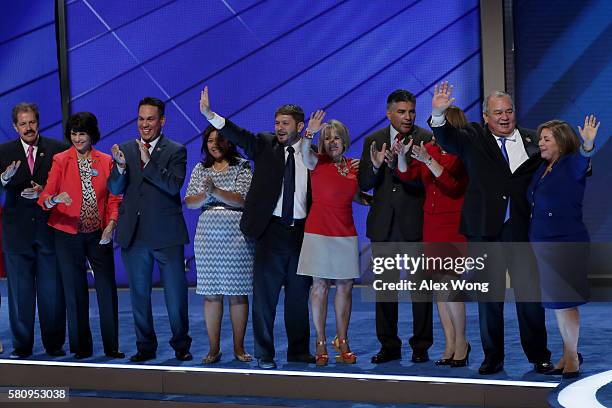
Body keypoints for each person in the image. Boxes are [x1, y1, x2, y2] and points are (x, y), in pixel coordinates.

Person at [429, 82, 552, 375]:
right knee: (489, 299)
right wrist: (438, 113)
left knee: (530, 296)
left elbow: (558, 163)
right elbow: (446, 138)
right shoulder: (471, 137)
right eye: (498, 112)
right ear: (486, 116)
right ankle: (492, 357)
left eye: (509, 111)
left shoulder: (533, 140)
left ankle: (539, 355)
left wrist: (584, 154)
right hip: (484, 230)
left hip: (520, 230)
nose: (505, 117)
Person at [200, 86, 314, 369]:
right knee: (265, 300)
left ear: (300, 126)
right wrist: (211, 116)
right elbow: (238, 134)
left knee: (298, 297)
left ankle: (299, 351)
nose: (279, 128)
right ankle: (265, 354)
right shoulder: (264, 144)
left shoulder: (312, 153)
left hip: (302, 234)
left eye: (285, 123)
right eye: (277, 123)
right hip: (270, 232)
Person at [108, 97, 192, 362]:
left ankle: (181, 345)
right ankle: (145, 346)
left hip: (166, 234)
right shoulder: (124, 149)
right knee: (139, 297)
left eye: (151, 119)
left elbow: (173, 186)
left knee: (176, 297)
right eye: (141, 119)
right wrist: (120, 167)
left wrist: (149, 161)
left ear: (162, 121)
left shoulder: (176, 150)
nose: (145, 125)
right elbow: (114, 189)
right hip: (134, 235)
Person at [38, 112, 123, 359]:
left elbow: (114, 198)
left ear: (92, 135)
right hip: (67, 233)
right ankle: (81, 347)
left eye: (82, 133)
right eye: (74, 134)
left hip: (99, 234)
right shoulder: (60, 160)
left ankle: (111, 346)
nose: (77, 138)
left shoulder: (106, 161)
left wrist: (111, 224)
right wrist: (55, 199)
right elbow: (45, 199)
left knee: (106, 289)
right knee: (75, 291)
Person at [358, 89, 433, 364]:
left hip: (415, 225)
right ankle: (389, 345)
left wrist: (402, 164)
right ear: (389, 113)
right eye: (401, 112)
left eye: (411, 111)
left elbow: (424, 182)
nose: (408, 116)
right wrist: (377, 166)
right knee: (385, 290)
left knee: (420, 289)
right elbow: (364, 182)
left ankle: (421, 346)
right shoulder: (373, 140)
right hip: (383, 227)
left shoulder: (425, 138)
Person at [395, 106, 469, 367]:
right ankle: (448, 343)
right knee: (439, 289)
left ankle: (462, 341)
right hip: (431, 224)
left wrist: (428, 160)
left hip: (453, 226)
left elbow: (452, 185)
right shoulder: (431, 149)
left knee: (451, 287)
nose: (435, 130)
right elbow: (407, 175)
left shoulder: (463, 153)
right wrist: (403, 157)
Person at [528, 116, 600, 379]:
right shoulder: (543, 168)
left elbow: (584, 160)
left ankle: (572, 356)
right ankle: (567, 352)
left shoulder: (570, 164)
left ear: (561, 142)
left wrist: (588, 144)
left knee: (566, 302)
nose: (541, 143)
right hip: (542, 243)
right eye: (540, 139)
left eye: (547, 139)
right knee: (556, 303)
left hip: (565, 243)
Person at [297, 113, 369, 366]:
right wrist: (309, 132)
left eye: (337, 137)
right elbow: (303, 153)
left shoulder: (353, 166)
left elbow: (354, 195)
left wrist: (370, 200)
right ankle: (320, 341)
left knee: (346, 288)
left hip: (346, 233)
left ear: (345, 141)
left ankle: (343, 339)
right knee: (319, 288)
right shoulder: (315, 161)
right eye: (327, 138)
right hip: (318, 232)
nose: (332, 142)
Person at [0, 103, 67, 359]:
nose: (28, 128)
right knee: (20, 295)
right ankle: (22, 345)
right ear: (15, 127)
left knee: (52, 293)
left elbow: (66, 187)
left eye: (32, 122)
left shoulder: (58, 150)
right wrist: (4, 180)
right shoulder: (4, 152)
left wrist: (45, 191)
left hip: (49, 232)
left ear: (38, 123)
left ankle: (54, 344)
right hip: (17, 235)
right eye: (23, 124)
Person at [184, 125, 254, 364]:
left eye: (219, 140)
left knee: (237, 294)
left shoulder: (242, 166)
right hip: (207, 238)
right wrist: (207, 195)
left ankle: (239, 347)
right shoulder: (199, 168)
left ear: (229, 142)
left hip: (236, 237)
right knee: (211, 295)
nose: (214, 144)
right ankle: (214, 349)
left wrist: (215, 190)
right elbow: (190, 202)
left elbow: (244, 200)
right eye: (210, 140)